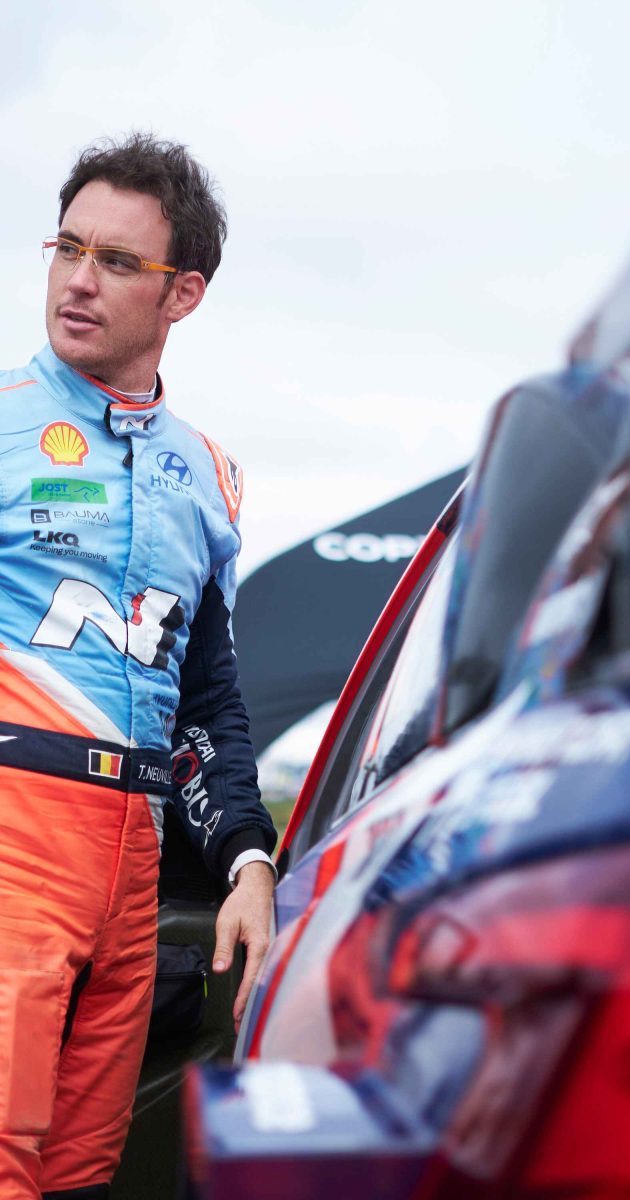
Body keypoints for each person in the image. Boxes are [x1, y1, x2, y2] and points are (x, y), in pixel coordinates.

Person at [0, 133, 277, 1199]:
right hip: (17, 838)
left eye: (117, 261)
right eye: (67, 248)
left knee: (82, 1176)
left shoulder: (207, 474)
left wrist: (248, 861)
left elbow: (206, 696)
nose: (78, 280)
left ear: (183, 294)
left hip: (136, 865)